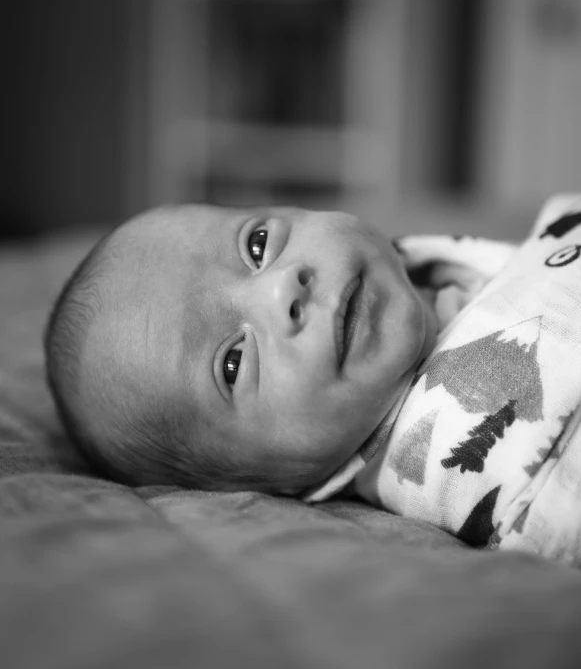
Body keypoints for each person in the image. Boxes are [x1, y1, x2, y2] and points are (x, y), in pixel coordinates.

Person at [44, 196, 581, 565]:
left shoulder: (457, 260)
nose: (282, 290)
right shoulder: (496, 475)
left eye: (257, 245)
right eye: (232, 364)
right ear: (284, 485)